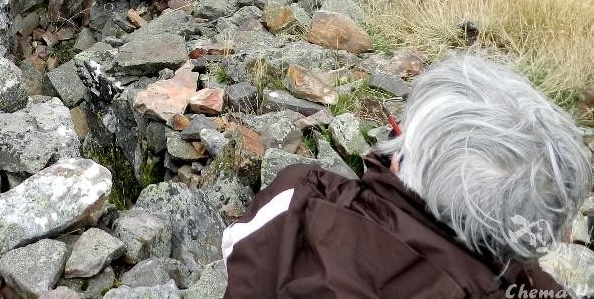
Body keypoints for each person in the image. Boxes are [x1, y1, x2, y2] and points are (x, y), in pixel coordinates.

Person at [222, 55, 591, 299]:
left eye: (398, 133)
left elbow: (236, 245)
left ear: (403, 159)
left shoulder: (300, 197)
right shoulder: (532, 287)